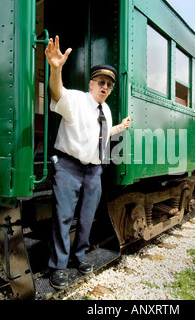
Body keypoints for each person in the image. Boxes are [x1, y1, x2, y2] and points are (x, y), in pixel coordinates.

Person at [45, 36, 131, 290]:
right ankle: (58, 266)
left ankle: (80, 255)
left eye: (109, 85)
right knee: (62, 217)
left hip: (94, 170)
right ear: (91, 83)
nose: (105, 87)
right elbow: (56, 92)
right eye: (101, 82)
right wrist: (56, 68)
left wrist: (119, 128)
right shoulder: (76, 100)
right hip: (69, 167)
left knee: (87, 217)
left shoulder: (105, 110)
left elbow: (98, 134)